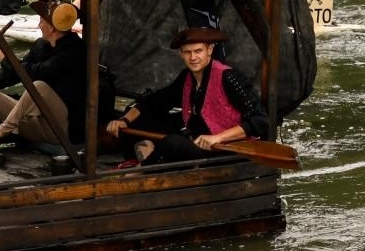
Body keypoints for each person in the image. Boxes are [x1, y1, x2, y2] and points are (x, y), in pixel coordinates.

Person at [0, 0, 86, 168]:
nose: (39, 25)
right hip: (35, 122)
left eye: (42, 21)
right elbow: (13, 74)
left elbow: (33, 73)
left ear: (52, 27)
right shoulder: (41, 46)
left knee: (38, 86)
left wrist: (1, 53)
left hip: (60, 129)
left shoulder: (75, 51)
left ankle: (1, 134)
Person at [105, 27, 267, 166]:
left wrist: (217, 138)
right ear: (181, 54)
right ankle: (147, 158)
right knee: (141, 121)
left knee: (173, 142)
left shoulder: (229, 77)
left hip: (225, 150)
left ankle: (139, 172)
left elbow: (259, 120)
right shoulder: (186, 77)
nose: (193, 57)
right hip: (196, 143)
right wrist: (123, 120)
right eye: (188, 52)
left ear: (209, 50)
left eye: (198, 51)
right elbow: (153, 101)